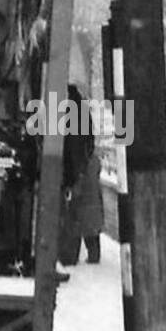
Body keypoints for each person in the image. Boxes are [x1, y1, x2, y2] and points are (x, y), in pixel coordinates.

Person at [59, 83, 104, 266]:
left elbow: (73, 143)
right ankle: (92, 252)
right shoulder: (81, 109)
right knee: (88, 209)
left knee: (74, 213)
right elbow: (88, 139)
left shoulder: (64, 109)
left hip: (75, 166)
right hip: (85, 164)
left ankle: (71, 254)